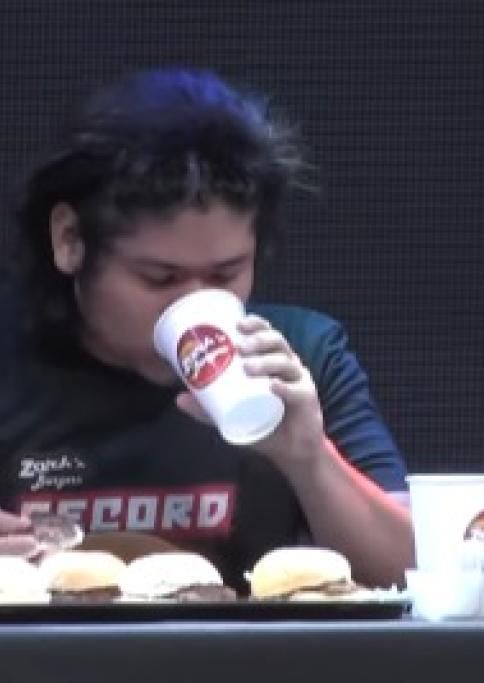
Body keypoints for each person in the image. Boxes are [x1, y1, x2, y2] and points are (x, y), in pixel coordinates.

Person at [0, 67, 414, 590]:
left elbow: (422, 577)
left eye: (225, 275)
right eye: (159, 278)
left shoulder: (298, 357)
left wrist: (310, 458)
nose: (192, 301)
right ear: (70, 240)